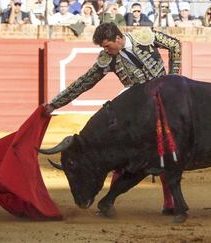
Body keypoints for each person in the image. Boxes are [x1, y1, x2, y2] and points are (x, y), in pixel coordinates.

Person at [44, 22, 181, 215]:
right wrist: (54, 104)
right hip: (136, 112)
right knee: (124, 157)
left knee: (164, 151)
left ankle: (170, 202)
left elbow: (175, 44)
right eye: (103, 47)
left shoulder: (145, 37)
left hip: (164, 106)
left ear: (118, 38)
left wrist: (174, 80)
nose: (106, 50)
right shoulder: (107, 58)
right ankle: (110, 201)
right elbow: (84, 82)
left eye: (107, 45)